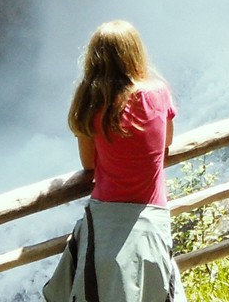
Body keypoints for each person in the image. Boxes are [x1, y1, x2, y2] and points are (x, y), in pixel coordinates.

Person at [48, 20, 181, 302]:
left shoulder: (93, 104)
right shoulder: (158, 94)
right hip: (151, 217)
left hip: (105, 222)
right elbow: (167, 141)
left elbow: (89, 164)